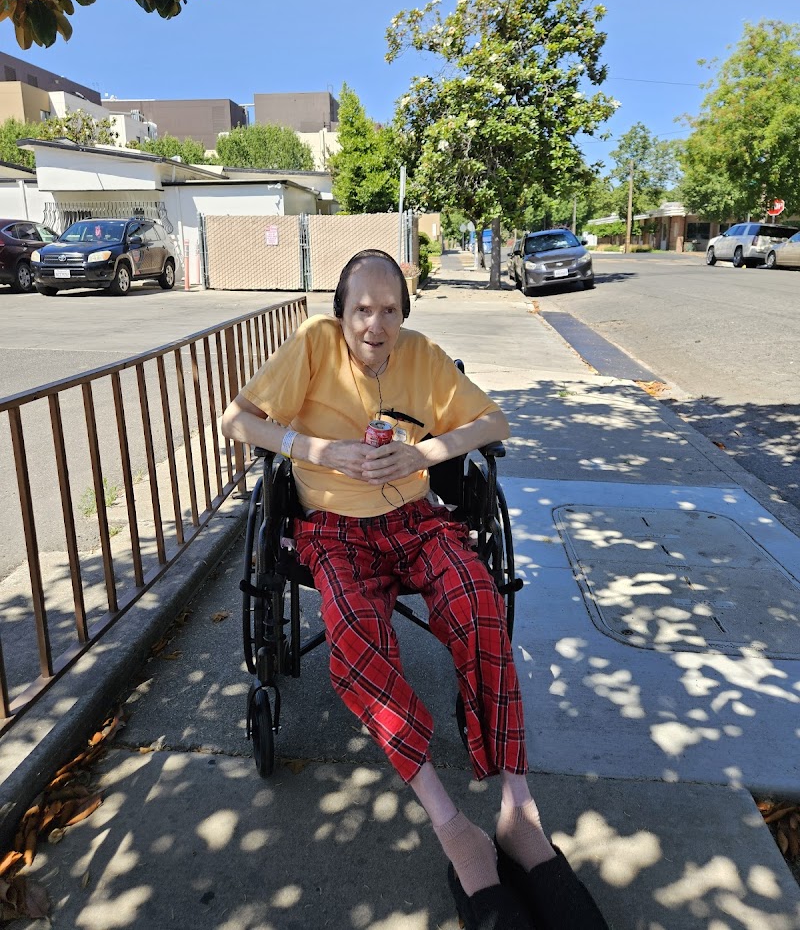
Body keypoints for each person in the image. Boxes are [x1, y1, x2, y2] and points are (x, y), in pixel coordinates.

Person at [221, 249, 608, 930]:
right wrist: (318, 450)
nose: (376, 324)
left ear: (404, 313)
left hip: (416, 519)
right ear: (341, 313)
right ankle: (453, 825)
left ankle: (519, 812)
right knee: (354, 635)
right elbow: (237, 419)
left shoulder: (423, 356)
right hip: (333, 529)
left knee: (479, 600)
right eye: (362, 309)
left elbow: (494, 423)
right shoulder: (313, 346)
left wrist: (423, 452)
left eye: (390, 310)